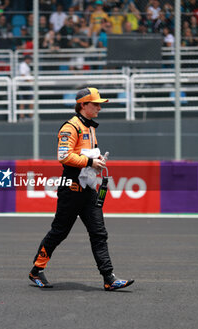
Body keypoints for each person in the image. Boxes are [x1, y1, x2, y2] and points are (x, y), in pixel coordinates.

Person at [29, 87, 135, 291]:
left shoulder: (90, 127)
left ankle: (109, 278)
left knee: (99, 233)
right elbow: (63, 156)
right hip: (70, 188)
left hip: (88, 188)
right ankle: (36, 270)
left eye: (99, 104)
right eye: (95, 104)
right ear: (83, 105)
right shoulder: (70, 127)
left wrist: (97, 160)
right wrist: (90, 162)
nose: (99, 108)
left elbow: (85, 155)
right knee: (59, 232)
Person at [18, 55, 33, 121]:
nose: (30, 61)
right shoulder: (23, 65)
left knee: (30, 100)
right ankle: (23, 117)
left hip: (26, 85)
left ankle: (29, 116)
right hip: (24, 85)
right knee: (23, 101)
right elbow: (23, 75)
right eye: (29, 59)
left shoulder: (25, 65)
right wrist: (30, 81)